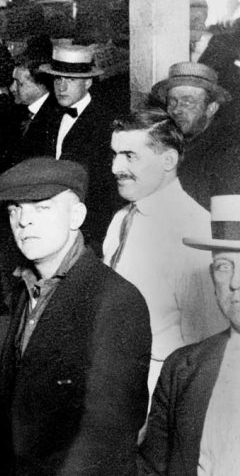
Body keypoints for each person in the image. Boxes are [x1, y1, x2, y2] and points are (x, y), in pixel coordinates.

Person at [0, 157, 151, 476]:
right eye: (14, 210)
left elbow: (109, 439)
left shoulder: (116, 300)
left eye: (41, 207)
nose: (23, 222)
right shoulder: (28, 287)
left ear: (77, 216)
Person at [104, 108, 227, 397]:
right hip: (115, 383)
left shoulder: (194, 233)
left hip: (160, 395)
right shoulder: (122, 218)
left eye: (130, 156)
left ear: (168, 160)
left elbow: (206, 349)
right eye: (115, 154)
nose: (115, 168)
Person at [139, 194, 240, 476]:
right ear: (211, 276)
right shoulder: (181, 368)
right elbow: (151, 468)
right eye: (224, 266)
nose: (235, 282)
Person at [42, 45, 121, 249]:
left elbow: (108, 191)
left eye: (71, 80)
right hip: (52, 224)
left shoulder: (105, 123)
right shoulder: (49, 115)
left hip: (89, 231)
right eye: (58, 79)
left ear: (87, 82)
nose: (61, 87)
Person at [151, 61, 240, 210]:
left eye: (187, 102)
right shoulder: (165, 147)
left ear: (211, 108)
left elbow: (228, 227)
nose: (177, 110)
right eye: (172, 102)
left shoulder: (227, 154)